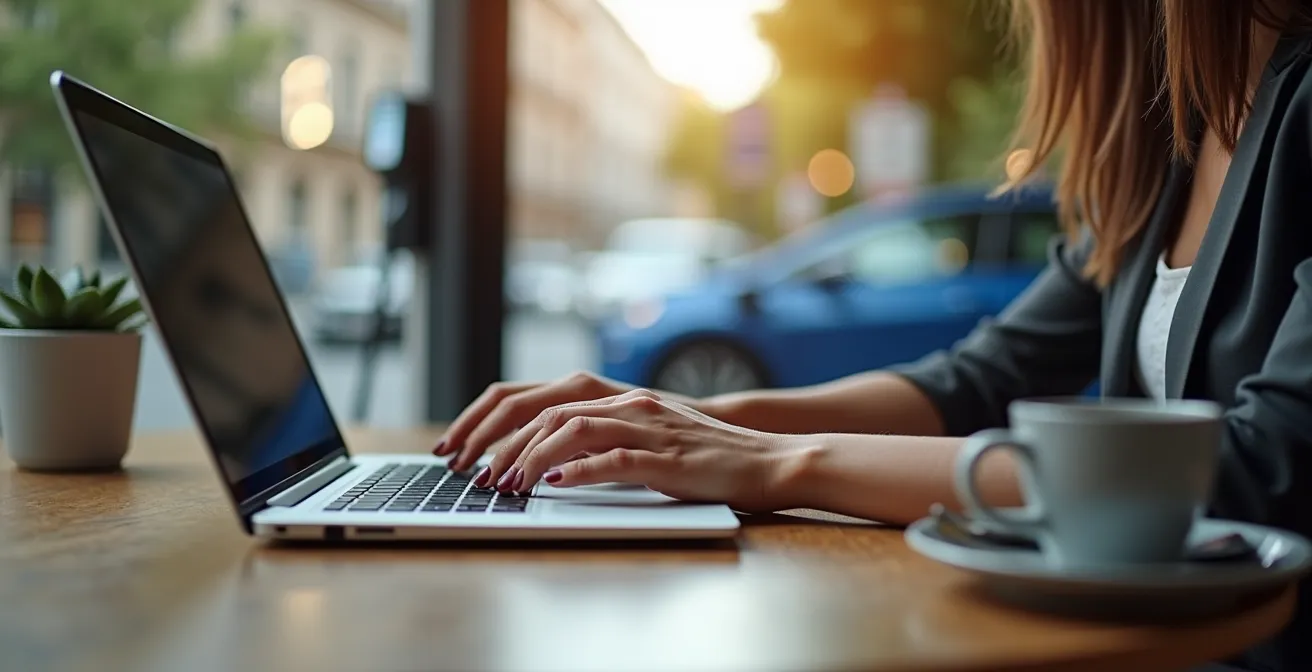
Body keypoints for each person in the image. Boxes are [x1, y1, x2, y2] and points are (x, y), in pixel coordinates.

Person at [437, 1, 1312, 670]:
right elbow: (977, 377)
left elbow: (1252, 473)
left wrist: (774, 462)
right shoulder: (1165, 143)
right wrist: (686, 418)